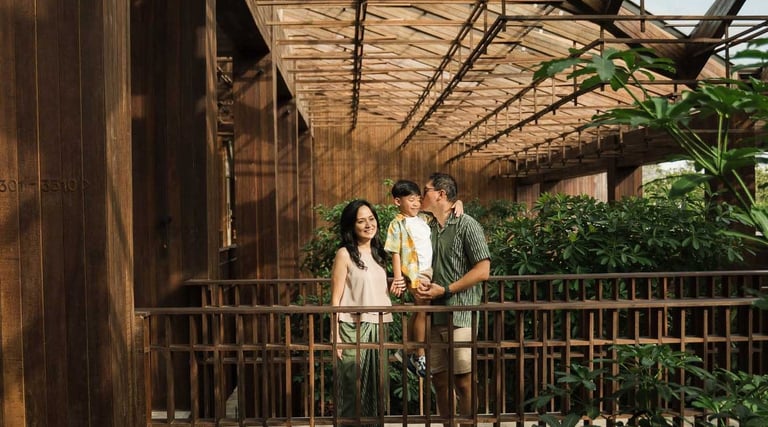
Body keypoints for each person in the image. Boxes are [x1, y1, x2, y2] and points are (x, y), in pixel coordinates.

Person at [415, 172, 491, 426]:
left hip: (461, 315)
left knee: (463, 379)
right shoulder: (426, 226)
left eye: (425, 190)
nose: (421, 195)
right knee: (439, 379)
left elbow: (483, 270)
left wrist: (445, 290)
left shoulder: (467, 224)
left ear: (441, 194)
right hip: (434, 315)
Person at [385, 179, 463, 378]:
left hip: (428, 271)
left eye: (418, 200)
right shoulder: (397, 224)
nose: (416, 204)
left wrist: (458, 203)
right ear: (397, 202)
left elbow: (443, 212)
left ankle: (408, 351)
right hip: (413, 271)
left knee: (421, 311)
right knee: (423, 309)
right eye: (410, 200)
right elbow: (394, 251)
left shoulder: (422, 219)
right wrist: (397, 277)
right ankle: (419, 355)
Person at [330, 199, 393, 427]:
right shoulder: (344, 254)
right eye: (361, 221)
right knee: (351, 389)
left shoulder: (381, 253)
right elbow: (335, 298)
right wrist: (334, 334)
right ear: (351, 226)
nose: (368, 224)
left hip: (379, 326)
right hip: (352, 328)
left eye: (371, 218)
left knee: (376, 390)